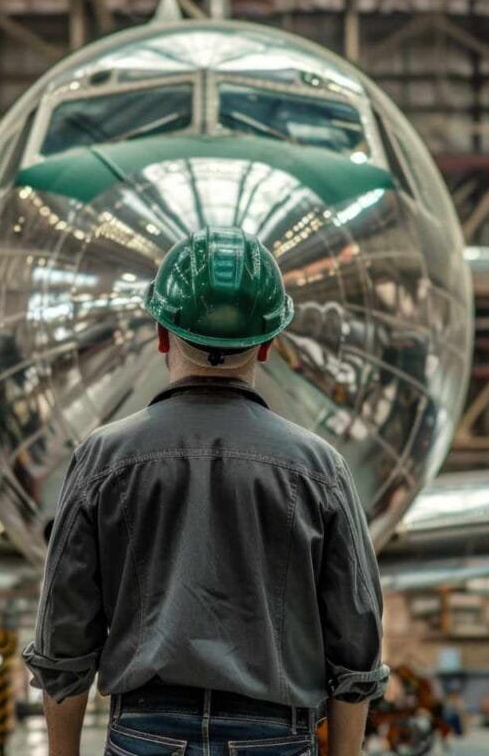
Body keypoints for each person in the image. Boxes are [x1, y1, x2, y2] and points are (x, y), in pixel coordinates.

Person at [23, 227, 389, 756]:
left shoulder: (102, 459)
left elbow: (65, 631)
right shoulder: (319, 468)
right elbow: (356, 639)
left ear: (162, 335)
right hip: (275, 735)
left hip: (145, 730)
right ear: (267, 345)